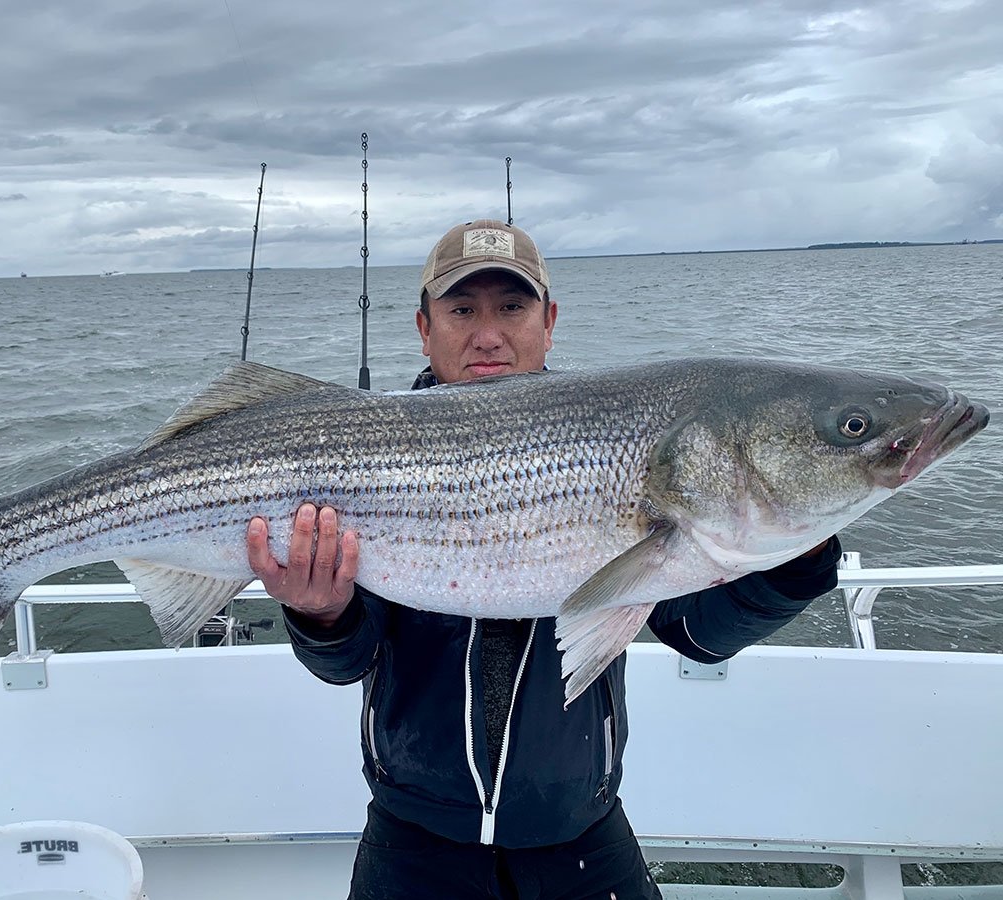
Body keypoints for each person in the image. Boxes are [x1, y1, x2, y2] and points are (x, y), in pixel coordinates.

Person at [246, 219, 841, 899]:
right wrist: (319, 612)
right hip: (412, 833)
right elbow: (346, 663)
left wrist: (795, 561)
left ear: (550, 321)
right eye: (462, 309)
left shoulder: (618, 437)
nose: (488, 333)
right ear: (424, 326)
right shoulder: (364, 458)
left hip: (578, 829)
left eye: (513, 307)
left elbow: (697, 635)